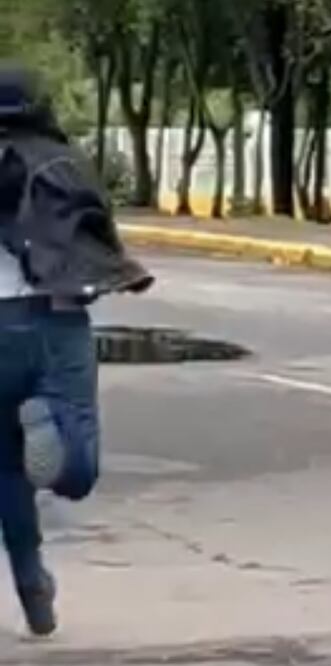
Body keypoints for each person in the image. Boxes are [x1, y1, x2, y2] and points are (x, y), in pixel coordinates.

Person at [0, 65, 152, 636]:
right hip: (56, 322)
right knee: (75, 466)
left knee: (5, 473)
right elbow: (97, 234)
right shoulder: (64, 162)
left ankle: (33, 587)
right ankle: (57, 447)